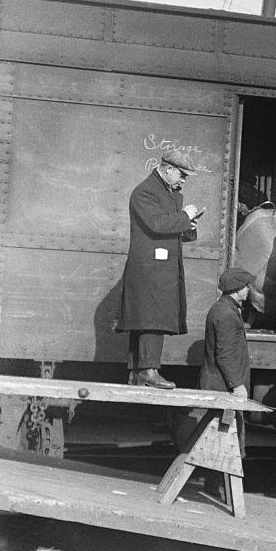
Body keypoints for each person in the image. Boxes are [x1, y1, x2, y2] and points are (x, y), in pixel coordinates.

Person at [115, 149, 202, 389]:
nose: (184, 180)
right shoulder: (145, 192)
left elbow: (168, 231)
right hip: (149, 268)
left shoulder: (166, 193)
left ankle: (137, 372)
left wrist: (188, 226)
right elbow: (157, 224)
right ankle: (148, 371)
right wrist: (184, 216)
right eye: (182, 175)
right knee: (151, 318)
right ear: (169, 169)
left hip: (158, 266)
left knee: (147, 317)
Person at [199, 266, 255, 456]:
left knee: (223, 439)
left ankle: (218, 483)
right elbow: (224, 354)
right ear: (238, 289)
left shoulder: (226, 309)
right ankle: (218, 484)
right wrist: (237, 385)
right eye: (246, 286)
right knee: (225, 441)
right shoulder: (226, 314)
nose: (249, 289)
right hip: (224, 388)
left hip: (224, 387)